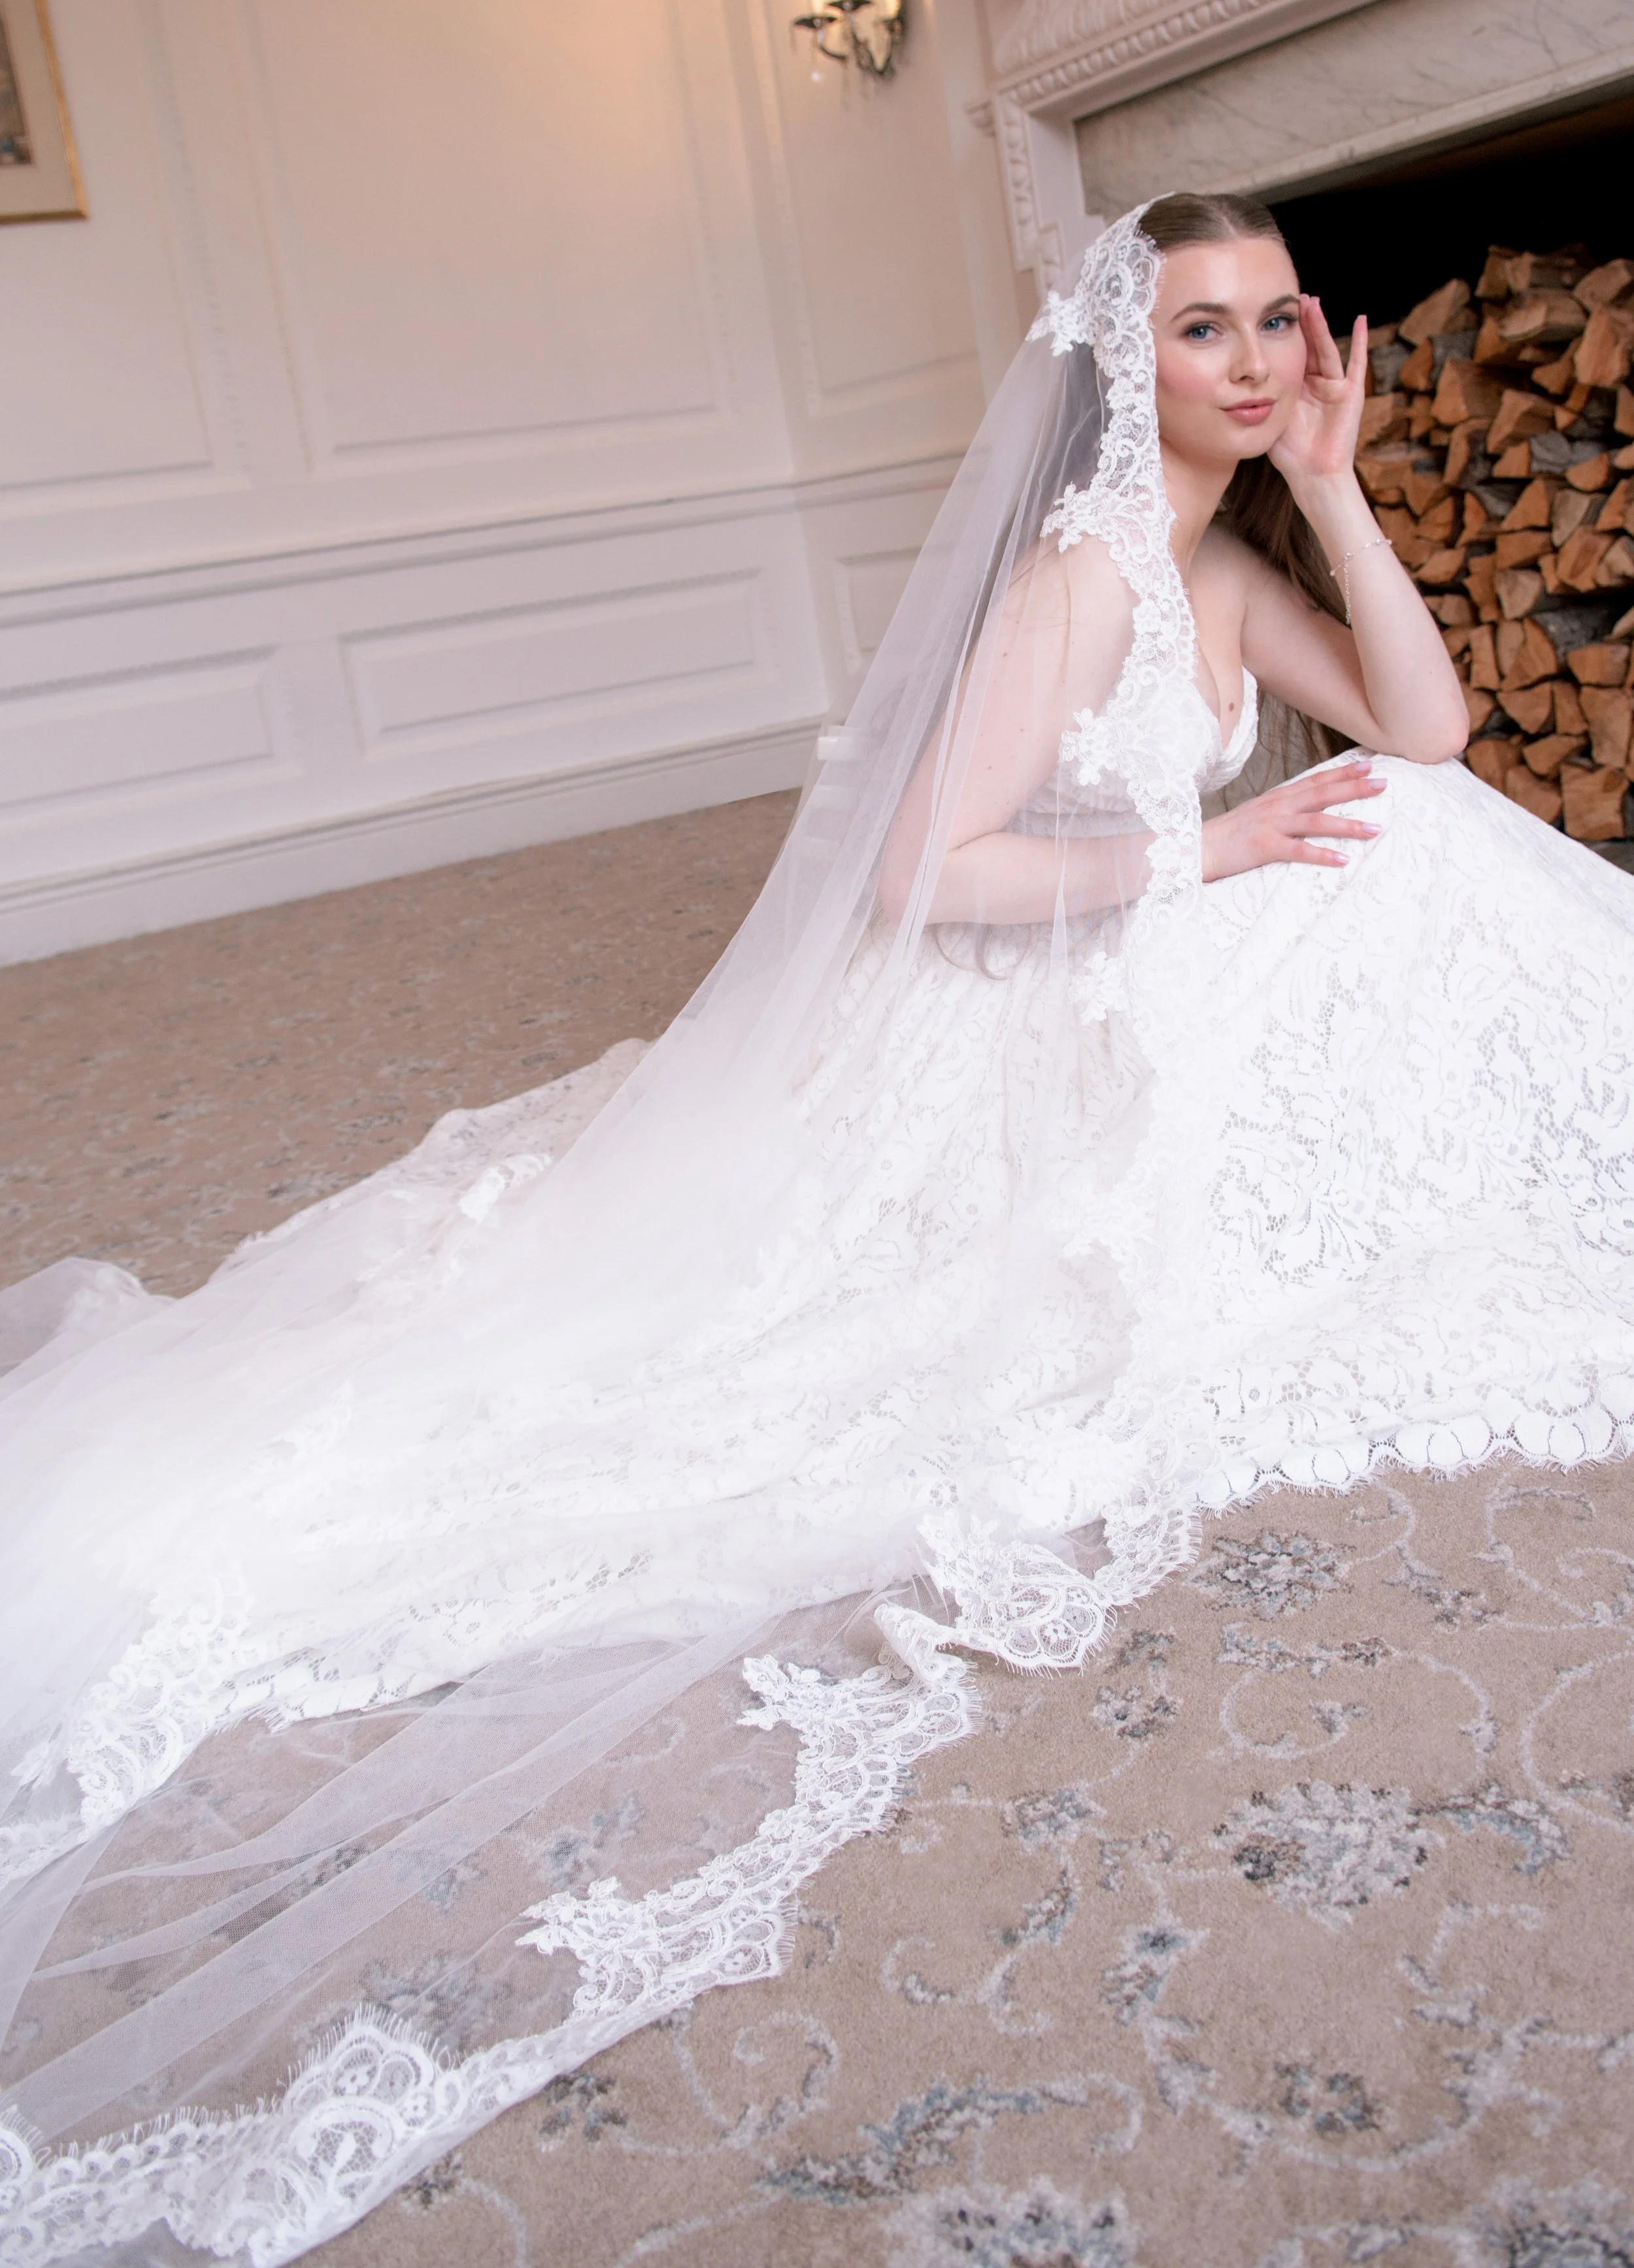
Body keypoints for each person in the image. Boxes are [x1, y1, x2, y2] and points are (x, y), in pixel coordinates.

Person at [3, 195, 1631, 2268]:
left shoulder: (1223, 550)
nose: (1243, 358)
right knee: (1339, 881)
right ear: (1117, 364)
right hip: (1007, 1018)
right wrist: (1207, 844)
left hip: (1138, 948)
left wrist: (1337, 490)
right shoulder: (1075, 583)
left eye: (1270, 322)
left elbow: (1428, 732)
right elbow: (916, 875)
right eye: (1196, 328)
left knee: (1411, 836)